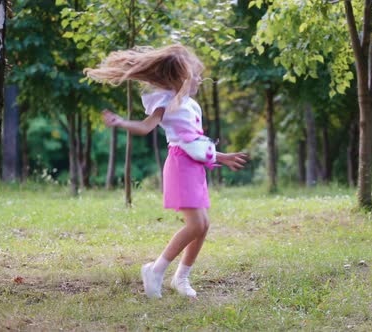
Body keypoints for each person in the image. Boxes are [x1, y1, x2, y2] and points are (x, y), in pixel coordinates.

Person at [84, 44, 249, 299]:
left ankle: (181, 278)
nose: (199, 79)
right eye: (194, 75)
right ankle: (155, 269)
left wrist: (222, 157)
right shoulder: (164, 101)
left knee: (203, 225)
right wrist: (120, 122)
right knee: (195, 225)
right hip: (180, 166)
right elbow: (146, 127)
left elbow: (194, 141)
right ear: (179, 78)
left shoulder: (191, 105)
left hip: (195, 167)